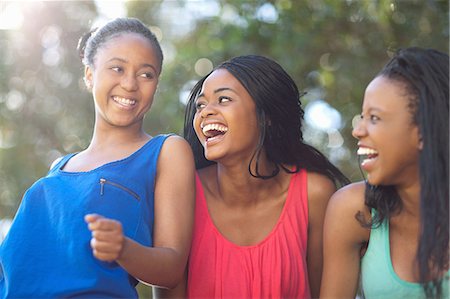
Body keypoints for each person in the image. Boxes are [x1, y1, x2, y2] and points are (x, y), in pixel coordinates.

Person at [0, 17, 195, 298]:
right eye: (117, 68)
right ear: (89, 75)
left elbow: (172, 269)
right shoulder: (59, 166)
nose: (130, 84)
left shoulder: (167, 151)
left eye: (146, 74)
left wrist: (124, 248)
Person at [157, 55, 349, 299]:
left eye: (223, 99)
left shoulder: (315, 193)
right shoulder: (184, 194)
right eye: (201, 105)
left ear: (265, 114)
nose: (205, 112)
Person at [320, 47, 449, 299]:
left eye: (375, 118)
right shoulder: (353, 210)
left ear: (423, 130)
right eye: (362, 117)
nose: (358, 131)